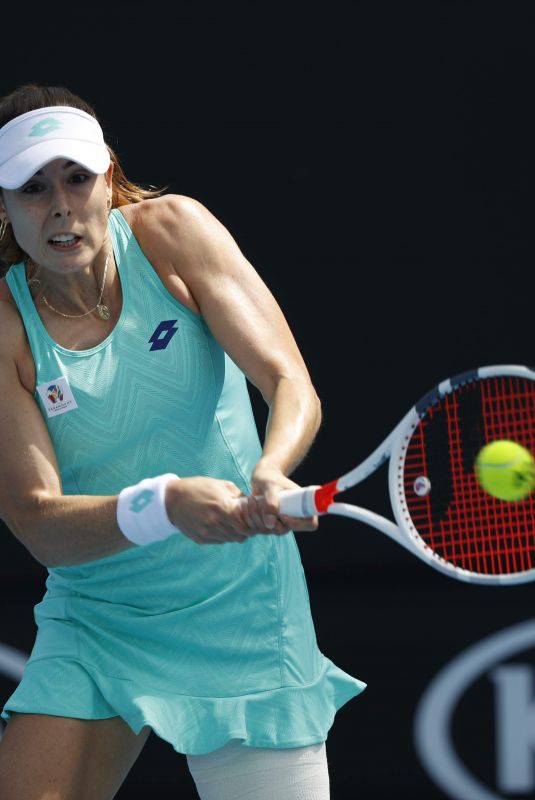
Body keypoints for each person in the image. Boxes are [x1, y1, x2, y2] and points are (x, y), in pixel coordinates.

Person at [0, 84, 365, 800]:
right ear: (6, 208)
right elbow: (39, 520)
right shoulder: (7, 329)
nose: (62, 207)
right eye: (33, 189)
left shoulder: (173, 233)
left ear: (109, 176)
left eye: (77, 178)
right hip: (100, 619)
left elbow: (289, 380)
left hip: (241, 612)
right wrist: (161, 505)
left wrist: (271, 467)